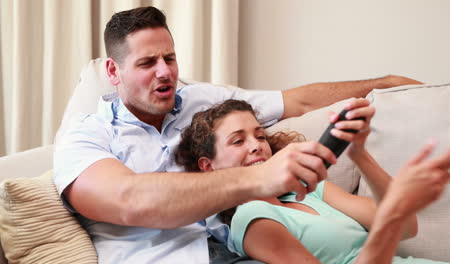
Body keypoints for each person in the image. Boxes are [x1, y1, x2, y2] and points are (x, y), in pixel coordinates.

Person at [53, 6, 424, 264]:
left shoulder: (202, 100)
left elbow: (296, 101)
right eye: (147, 63)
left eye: (170, 58)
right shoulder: (85, 138)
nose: (165, 73)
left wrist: (383, 84)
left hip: (239, 250)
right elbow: (130, 199)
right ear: (113, 71)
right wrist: (261, 176)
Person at [175, 99, 450, 264]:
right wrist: (396, 209)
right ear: (208, 167)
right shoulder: (251, 219)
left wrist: (359, 153)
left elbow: (408, 228)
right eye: (238, 140)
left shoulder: (309, 191)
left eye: (260, 136)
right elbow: (396, 219)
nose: (256, 146)